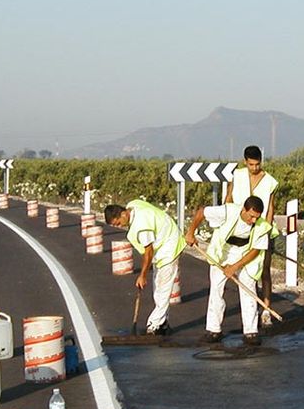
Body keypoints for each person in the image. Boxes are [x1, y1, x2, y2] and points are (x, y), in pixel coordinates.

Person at [185, 196, 271, 346]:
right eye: (251, 216)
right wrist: (191, 233)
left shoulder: (261, 226)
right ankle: (214, 330)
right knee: (216, 288)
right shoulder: (227, 211)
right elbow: (201, 212)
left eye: (256, 218)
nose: (253, 221)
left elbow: (256, 251)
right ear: (244, 209)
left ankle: (251, 331)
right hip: (222, 252)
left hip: (245, 254)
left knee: (248, 287)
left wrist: (235, 267)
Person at [104, 200, 185, 335]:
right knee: (158, 288)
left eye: (118, 223)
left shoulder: (141, 227)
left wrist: (143, 275)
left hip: (169, 247)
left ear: (123, 214)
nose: (119, 226)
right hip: (165, 241)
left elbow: (148, 252)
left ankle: (153, 325)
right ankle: (163, 323)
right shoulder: (133, 205)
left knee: (162, 289)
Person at [225, 145, 279, 326]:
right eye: (251, 164)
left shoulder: (270, 181)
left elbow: (271, 208)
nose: (254, 168)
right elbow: (228, 200)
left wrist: (267, 230)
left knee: (264, 270)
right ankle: (249, 313)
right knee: (245, 272)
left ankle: (266, 309)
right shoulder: (237, 175)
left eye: (257, 164)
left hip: (261, 229)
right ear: (245, 162)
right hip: (239, 230)